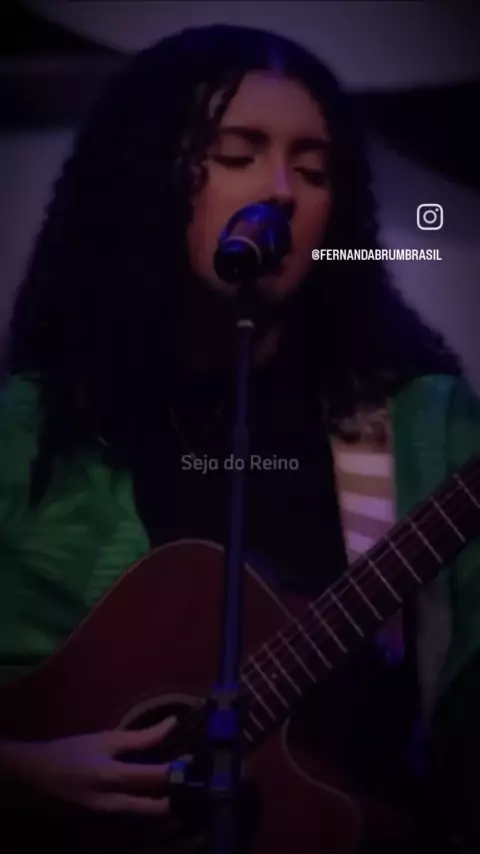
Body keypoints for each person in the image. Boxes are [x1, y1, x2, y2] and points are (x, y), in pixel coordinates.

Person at [0, 22, 479, 854]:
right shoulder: (34, 427)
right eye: (236, 154)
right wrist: (18, 770)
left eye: (314, 170)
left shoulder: (420, 426)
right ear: (149, 177)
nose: (281, 190)